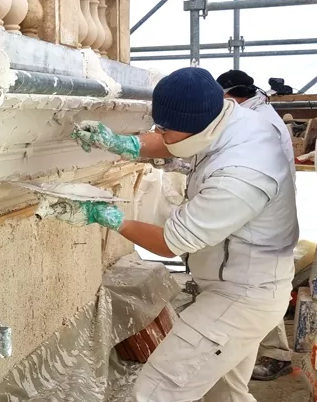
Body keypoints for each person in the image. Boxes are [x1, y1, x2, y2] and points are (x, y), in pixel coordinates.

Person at [49, 67, 298, 401]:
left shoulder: (242, 175)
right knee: (226, 394)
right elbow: (174, 140)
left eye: (166, 129)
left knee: (156, 391)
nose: (159, 134)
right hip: (237, 284)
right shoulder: (228, 118)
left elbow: (171, 242)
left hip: (244, 296)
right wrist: (122, 143)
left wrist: (105, 215)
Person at [216, 69, 296, 381]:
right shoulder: (258, 111)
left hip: (263, 209)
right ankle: (253, 349)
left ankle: (277, 354)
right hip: (266, 205)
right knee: (259, 280)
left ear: (230, 96)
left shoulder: (258, 121)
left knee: (261, 281)